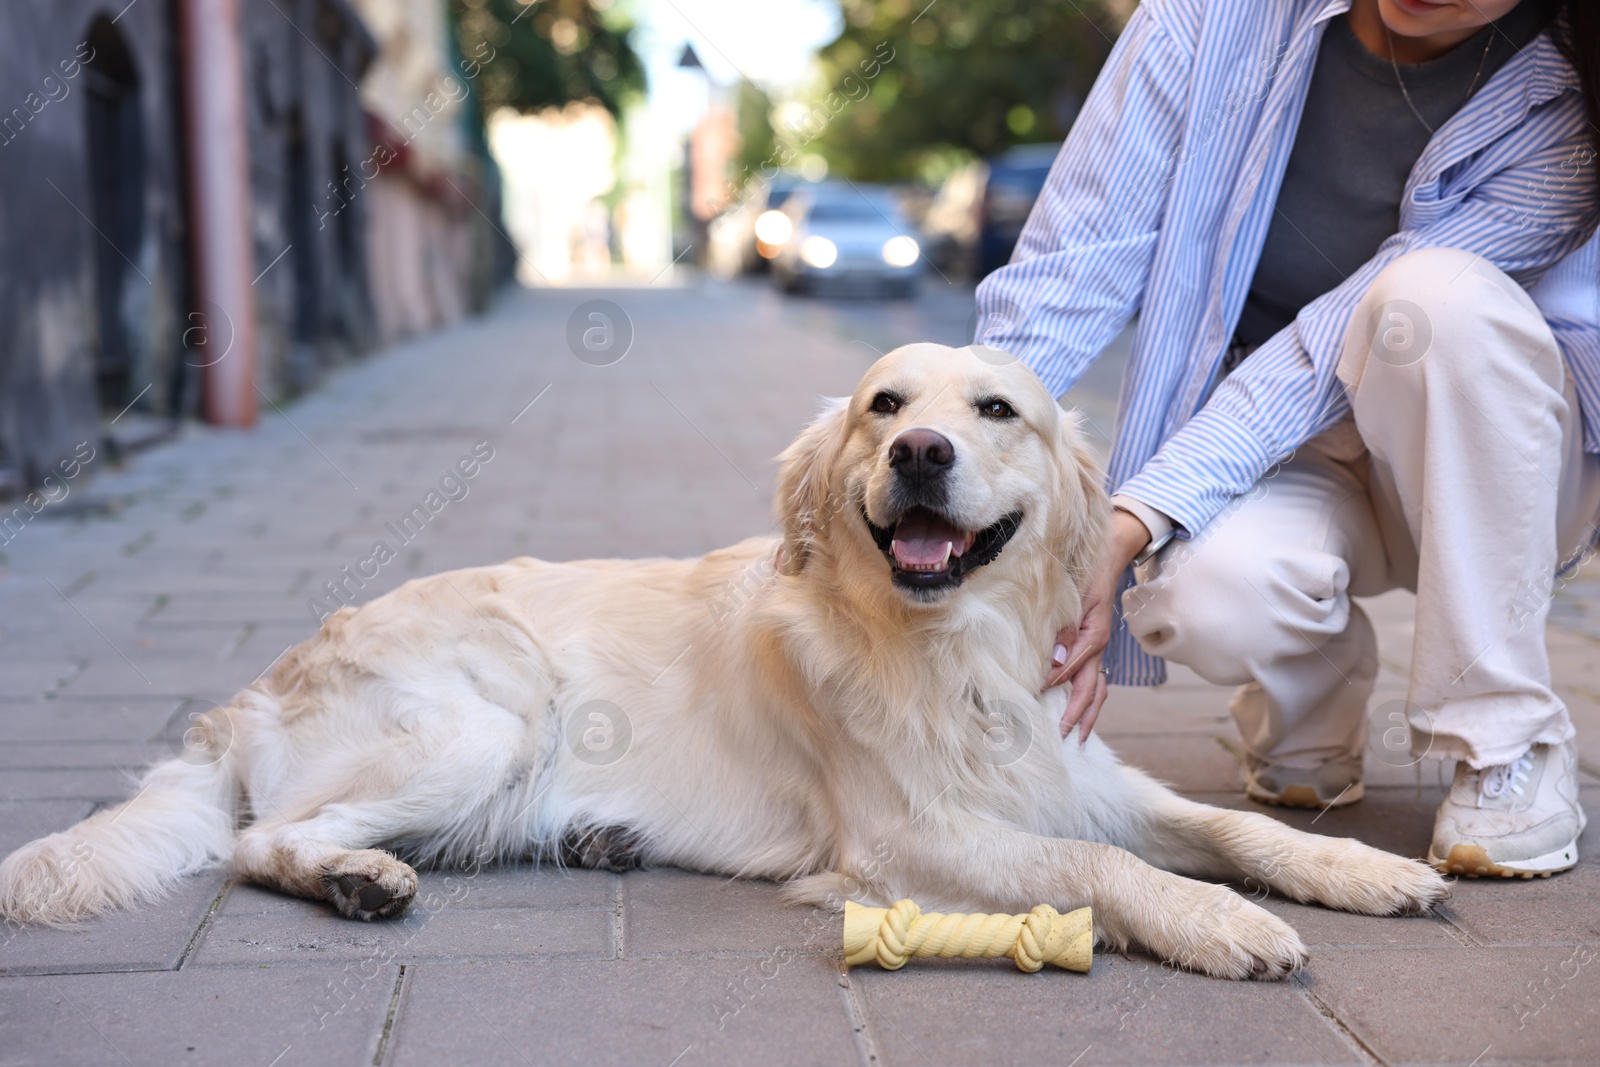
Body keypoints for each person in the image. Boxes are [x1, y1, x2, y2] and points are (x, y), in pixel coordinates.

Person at [975, 0, 1600, 876]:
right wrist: (953, 441)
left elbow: (1333, 338)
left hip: (1496, 456)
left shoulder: (1570, 99)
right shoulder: (1212, 18)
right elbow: (1077, 259)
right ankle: (1310, 693)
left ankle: (1507, 737)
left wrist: (1125, 520)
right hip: (1287, 448)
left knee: (1430, 301)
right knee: (1197, 596)